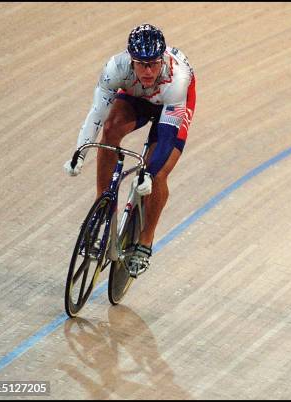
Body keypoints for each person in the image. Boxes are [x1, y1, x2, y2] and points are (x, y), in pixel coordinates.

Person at [64, 23, 196, 277]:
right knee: (111, 129)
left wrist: (150, 171)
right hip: (137, 97)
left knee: (157, 174)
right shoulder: (115, 69)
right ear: (130, 60)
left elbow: (167, 136)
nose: (147, 71)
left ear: (162, 60)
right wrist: (79, 153)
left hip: (172, 102)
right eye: (140, 64)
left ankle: (145, 240)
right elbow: (96, 115)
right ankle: (103, 206)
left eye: (153, 64)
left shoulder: (178, 78)